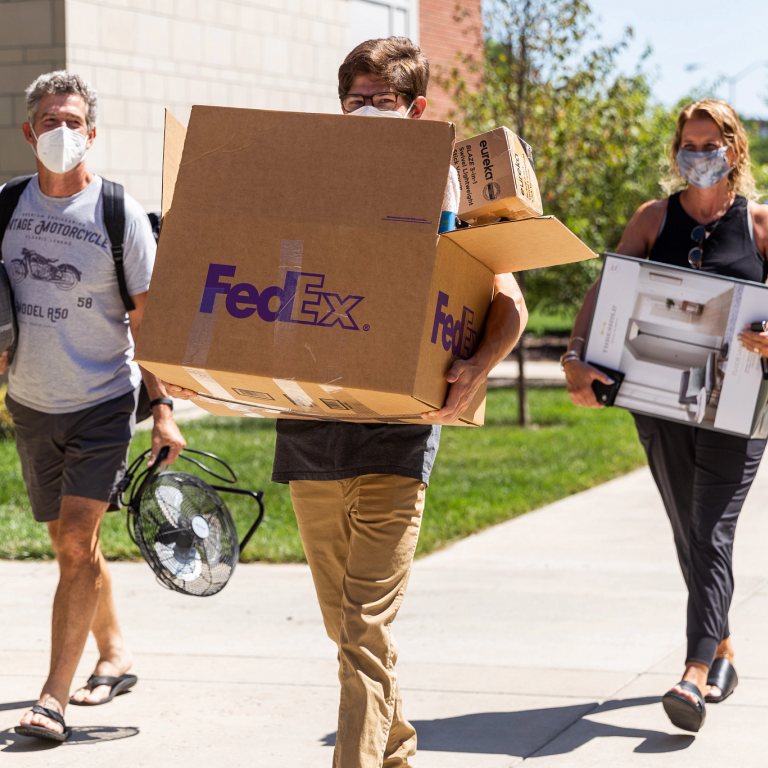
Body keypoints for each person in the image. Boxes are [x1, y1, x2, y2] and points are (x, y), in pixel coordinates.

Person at [165, 37, 527, 768]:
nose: (363, 113)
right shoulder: (308, 177)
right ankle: (395, 746)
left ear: (416, 108)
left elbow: (508, 300)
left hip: (398, 436)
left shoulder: (452, 191)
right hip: (310, 435)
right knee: (346, 626)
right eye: (353, 101)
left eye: (381, 102)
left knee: (364, 626)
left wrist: (479, 366)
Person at [563, 99, 768, 733]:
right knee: (690, 531)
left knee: (710, 530)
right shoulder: (654, 218)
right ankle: (723, 648)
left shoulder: (761, 225)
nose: (697, 155)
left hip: (739, 407)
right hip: (661, 406)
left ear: (734, 150)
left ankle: (694, 675)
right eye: (689, 143)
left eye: (709, 144)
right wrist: (575, 356)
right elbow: (609, 287)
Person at [0, 71, 186, 743]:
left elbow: (150, 319)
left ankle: (52, 699)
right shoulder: (6, 209)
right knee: (69, 545)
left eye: (73, 120)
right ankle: (114, 652)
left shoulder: (119, 213)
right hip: (30, 404)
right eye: (49, 121)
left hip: (104, 401)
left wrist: (162, 409)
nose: (62, 132)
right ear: (29, 132)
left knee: (77, 541)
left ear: (93, 131)